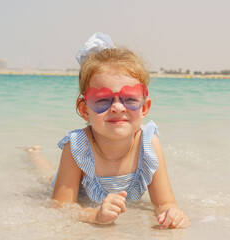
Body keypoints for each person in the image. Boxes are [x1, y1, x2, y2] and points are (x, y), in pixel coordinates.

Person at [25, 32, 189, 229]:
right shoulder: (77, 147)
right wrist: (95, 215)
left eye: (129, 99)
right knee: (47, 175)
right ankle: (33, 154)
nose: (118, 107)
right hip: (67, 184)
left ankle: (35, 153)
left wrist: (172, 213)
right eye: (102, 99)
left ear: (144, 108)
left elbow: (165, 202)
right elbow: (61, 206)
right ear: (84, 109)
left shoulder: (149, 143)